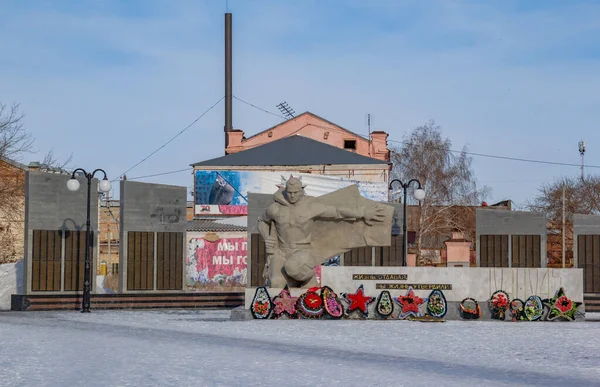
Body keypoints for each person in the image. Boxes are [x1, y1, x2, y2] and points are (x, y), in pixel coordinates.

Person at [257, 176, 385, 288]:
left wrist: (362, 213)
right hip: (281, 252)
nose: (292, 196)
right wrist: (266, 237)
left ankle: (308, 277)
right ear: (285, 191)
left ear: (301, 191)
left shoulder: (310, 206)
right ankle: (294, 282)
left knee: (292, 267)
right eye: (289, 192)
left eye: (295, 192)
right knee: (275, 284)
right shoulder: (275, 208)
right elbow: (261, 221)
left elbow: (336, 212)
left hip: (303, 252)